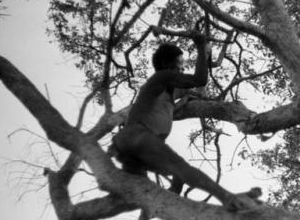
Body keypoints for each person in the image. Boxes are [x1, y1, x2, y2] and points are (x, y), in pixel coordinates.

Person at [110, 38, 259, 210]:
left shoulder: (165, 92)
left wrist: (191, 96)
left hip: (133, 150)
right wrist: (202, 48)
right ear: (167, 64)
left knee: (173, 178)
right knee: (182, 169)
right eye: (179, 63)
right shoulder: (163, 76)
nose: (182, 68)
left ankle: (166, 199)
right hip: (137, 137)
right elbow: (199, 79)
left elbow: (188, 92)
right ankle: (228, 198)